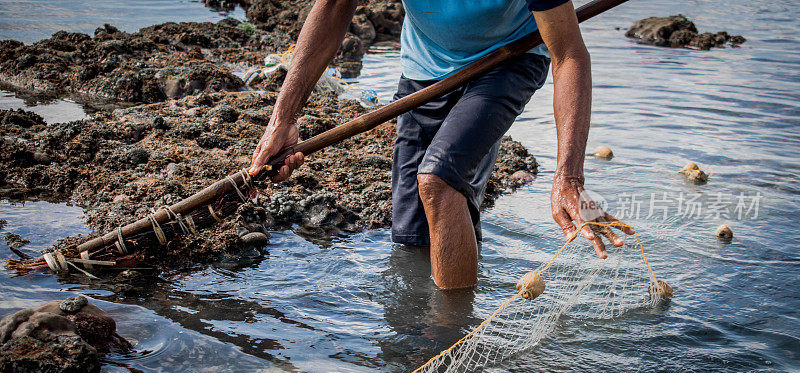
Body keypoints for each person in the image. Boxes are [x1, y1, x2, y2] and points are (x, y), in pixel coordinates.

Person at [249, 0, 634, 290]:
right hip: (424, 70)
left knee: (439, 180)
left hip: (508, 61)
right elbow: (334, 6)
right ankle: (419, 338)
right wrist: (283, 117)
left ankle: (449, 353)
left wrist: (568, 175)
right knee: (414, 234)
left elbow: (568, 53)